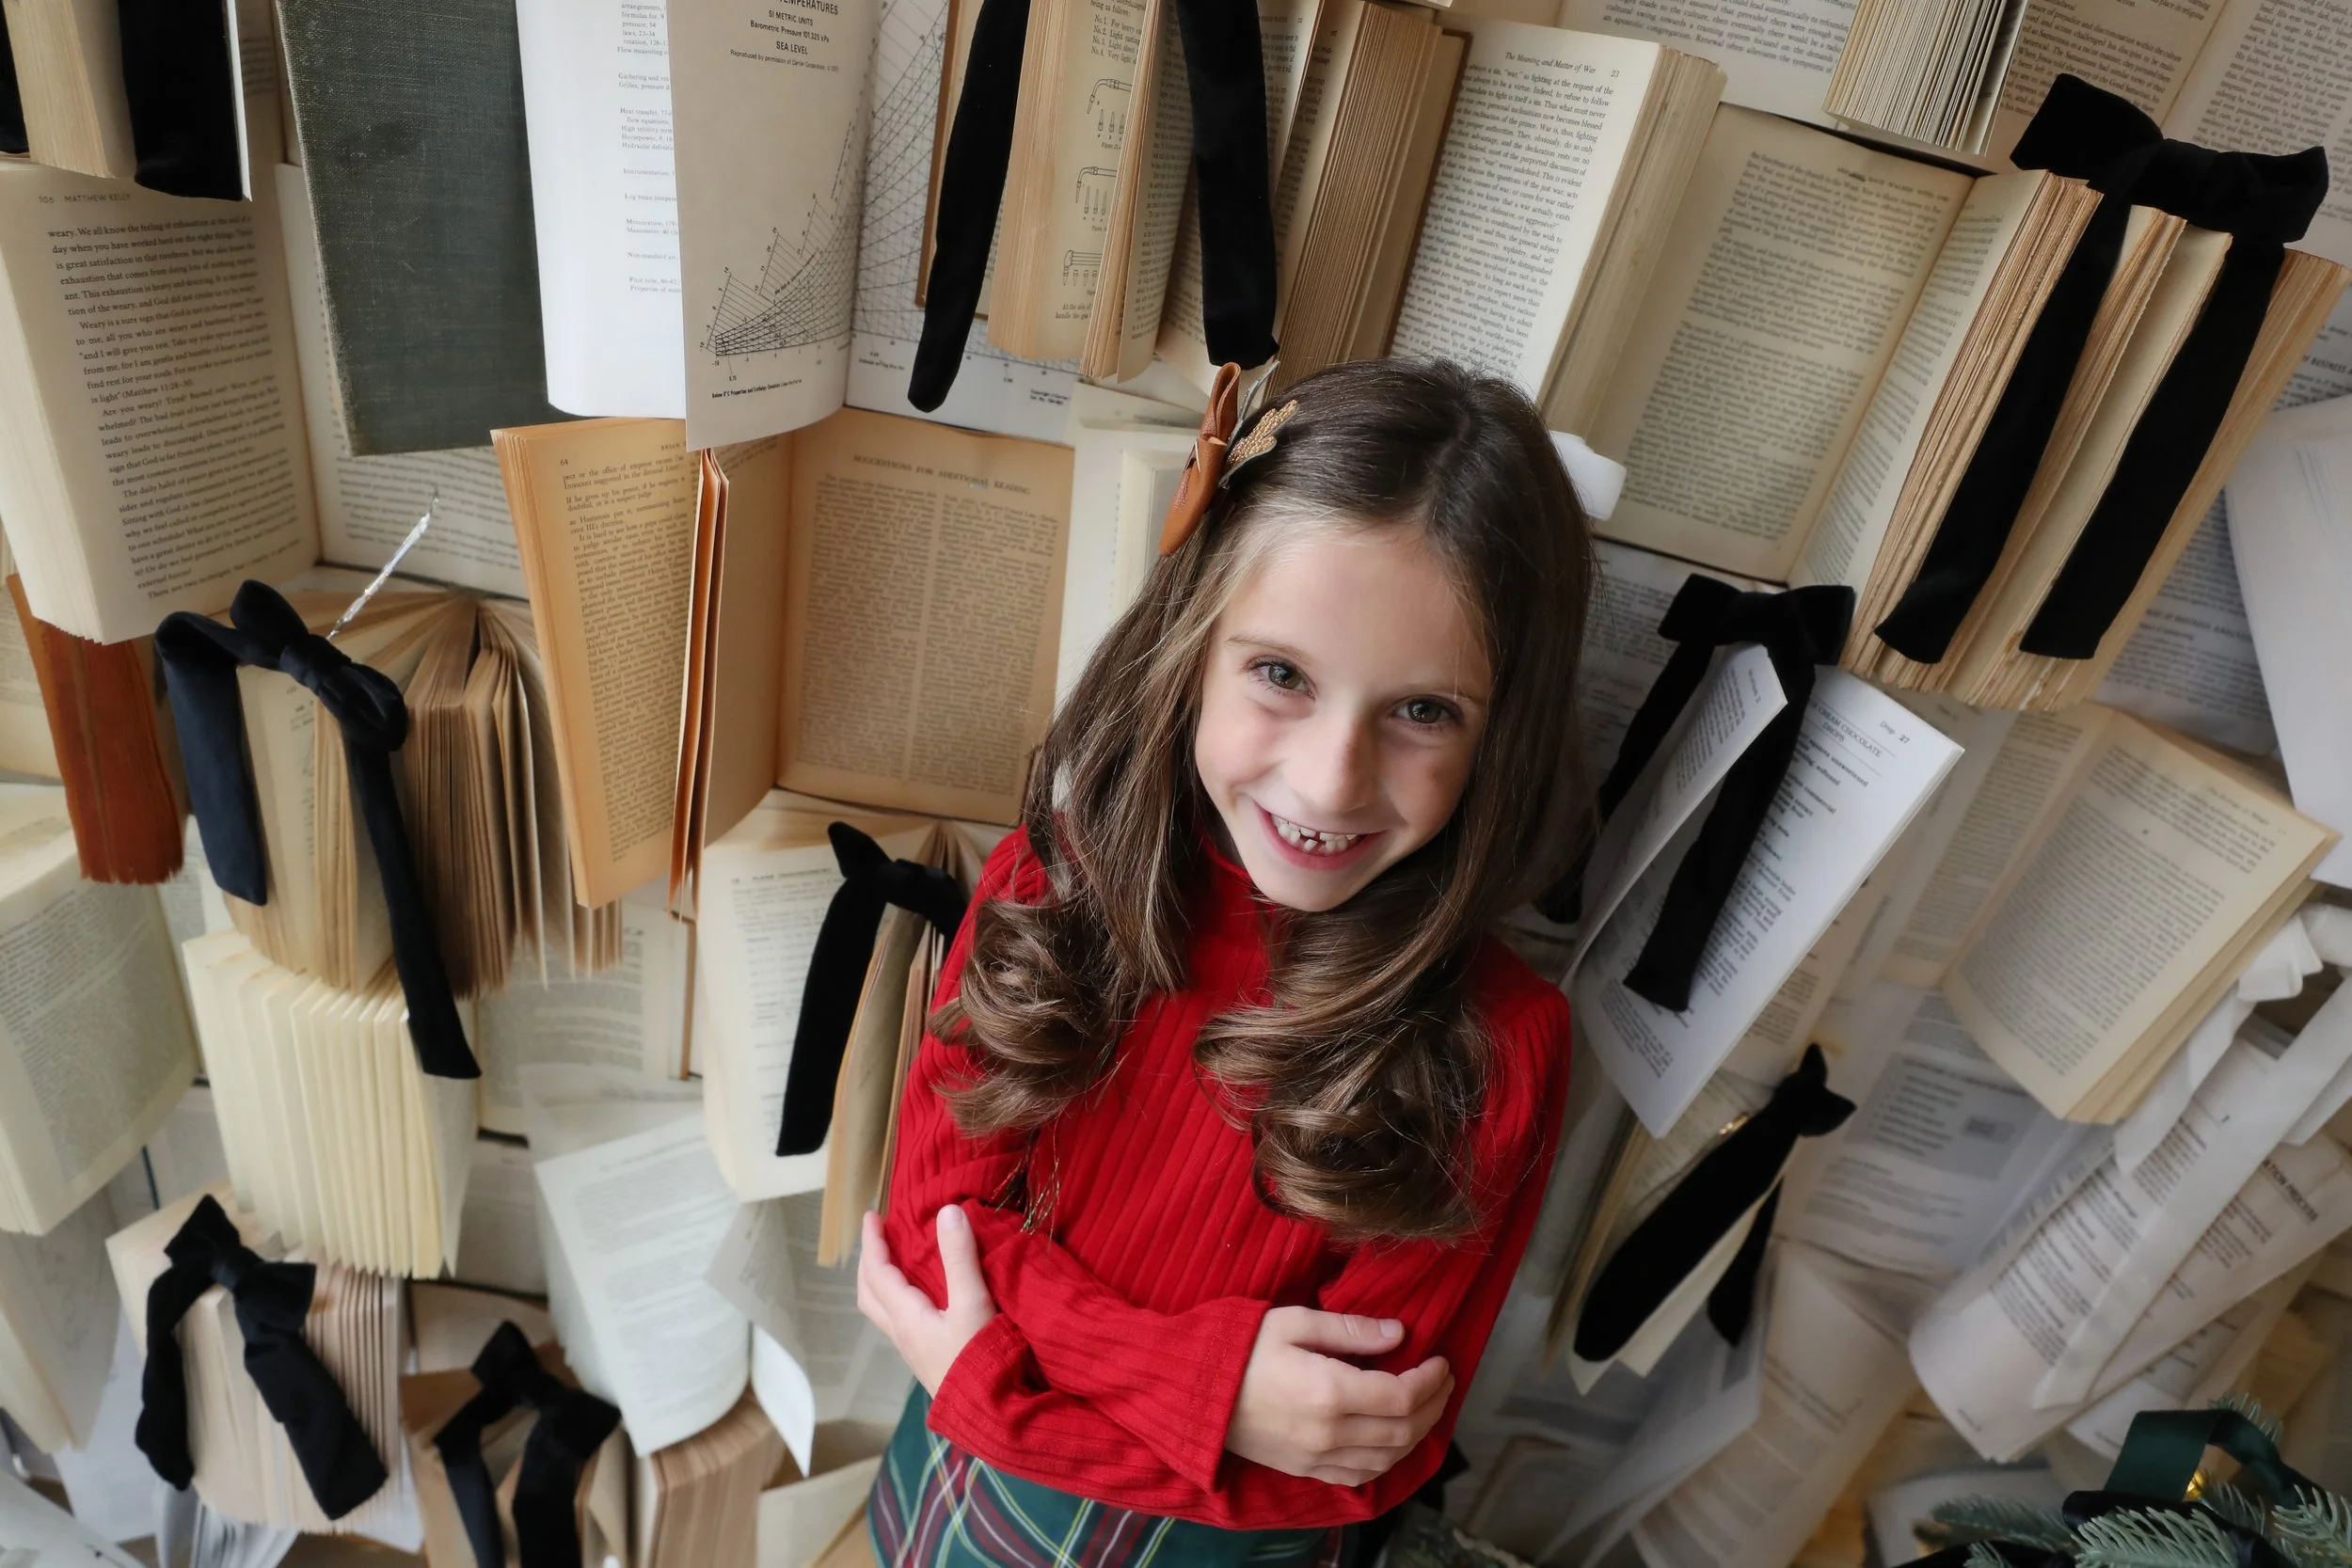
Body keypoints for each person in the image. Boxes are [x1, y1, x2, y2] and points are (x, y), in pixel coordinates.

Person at [855, 356, 1593, 1566]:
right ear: (1193, 646)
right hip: (958, 1493)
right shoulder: (1060, 880)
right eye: (1282, 675)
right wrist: (1217, 1387)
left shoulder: (1493, 1048)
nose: (1328, 780)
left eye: (1422, 711)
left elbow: (1363, 1454)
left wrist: (991, 1368)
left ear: (1498, 731)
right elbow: (931, 1233)